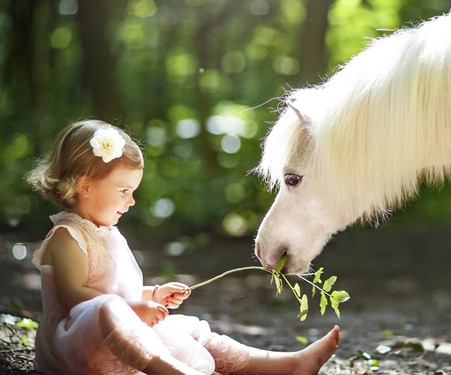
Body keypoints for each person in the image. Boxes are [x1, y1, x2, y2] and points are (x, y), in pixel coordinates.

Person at [26, 119, 340, 375]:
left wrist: (152, 294)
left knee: (186, 329)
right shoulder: (68, 236)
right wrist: (133, 308)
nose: (131, 200)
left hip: (116, 336)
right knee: (109, 309)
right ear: (84, 186)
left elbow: (113, 289)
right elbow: (75, 298)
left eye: (133, 191)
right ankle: (170, 371)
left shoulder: (107, 233)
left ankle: (286, 365)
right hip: (73, 344)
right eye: (123, 190)